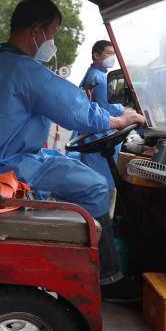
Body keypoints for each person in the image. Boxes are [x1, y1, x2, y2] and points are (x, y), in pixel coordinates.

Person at [0, 0, 145, 294]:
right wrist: (118, 121)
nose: (51, 42)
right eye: (51, 34)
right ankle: (107, 279)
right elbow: (75, 110)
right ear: (36, 30)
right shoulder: (26, 72)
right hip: (11, 167)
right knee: (95, 187)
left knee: (69, 168)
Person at [70, 40, 124, 216]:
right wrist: (128, 112)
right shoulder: (99, 78)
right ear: (96, 55)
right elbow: (109, 108)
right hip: (101, 138)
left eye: (113, 54)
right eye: (108, 53)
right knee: (103, 188)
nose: (112, 58)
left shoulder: (92, 74)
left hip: (92, 137)